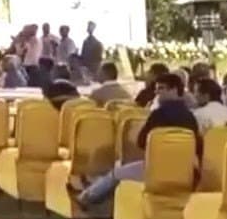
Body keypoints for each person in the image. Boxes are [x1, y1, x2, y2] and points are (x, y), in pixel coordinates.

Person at [75, 73, 200, 207]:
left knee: (115, 174)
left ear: (174, 90)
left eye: (161, 88)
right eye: (157, 88)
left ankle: (86, 198)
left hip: (156, 168)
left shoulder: (158, 114)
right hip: (185, 171)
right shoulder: (191, 117)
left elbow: (141, 141)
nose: (157, 92)